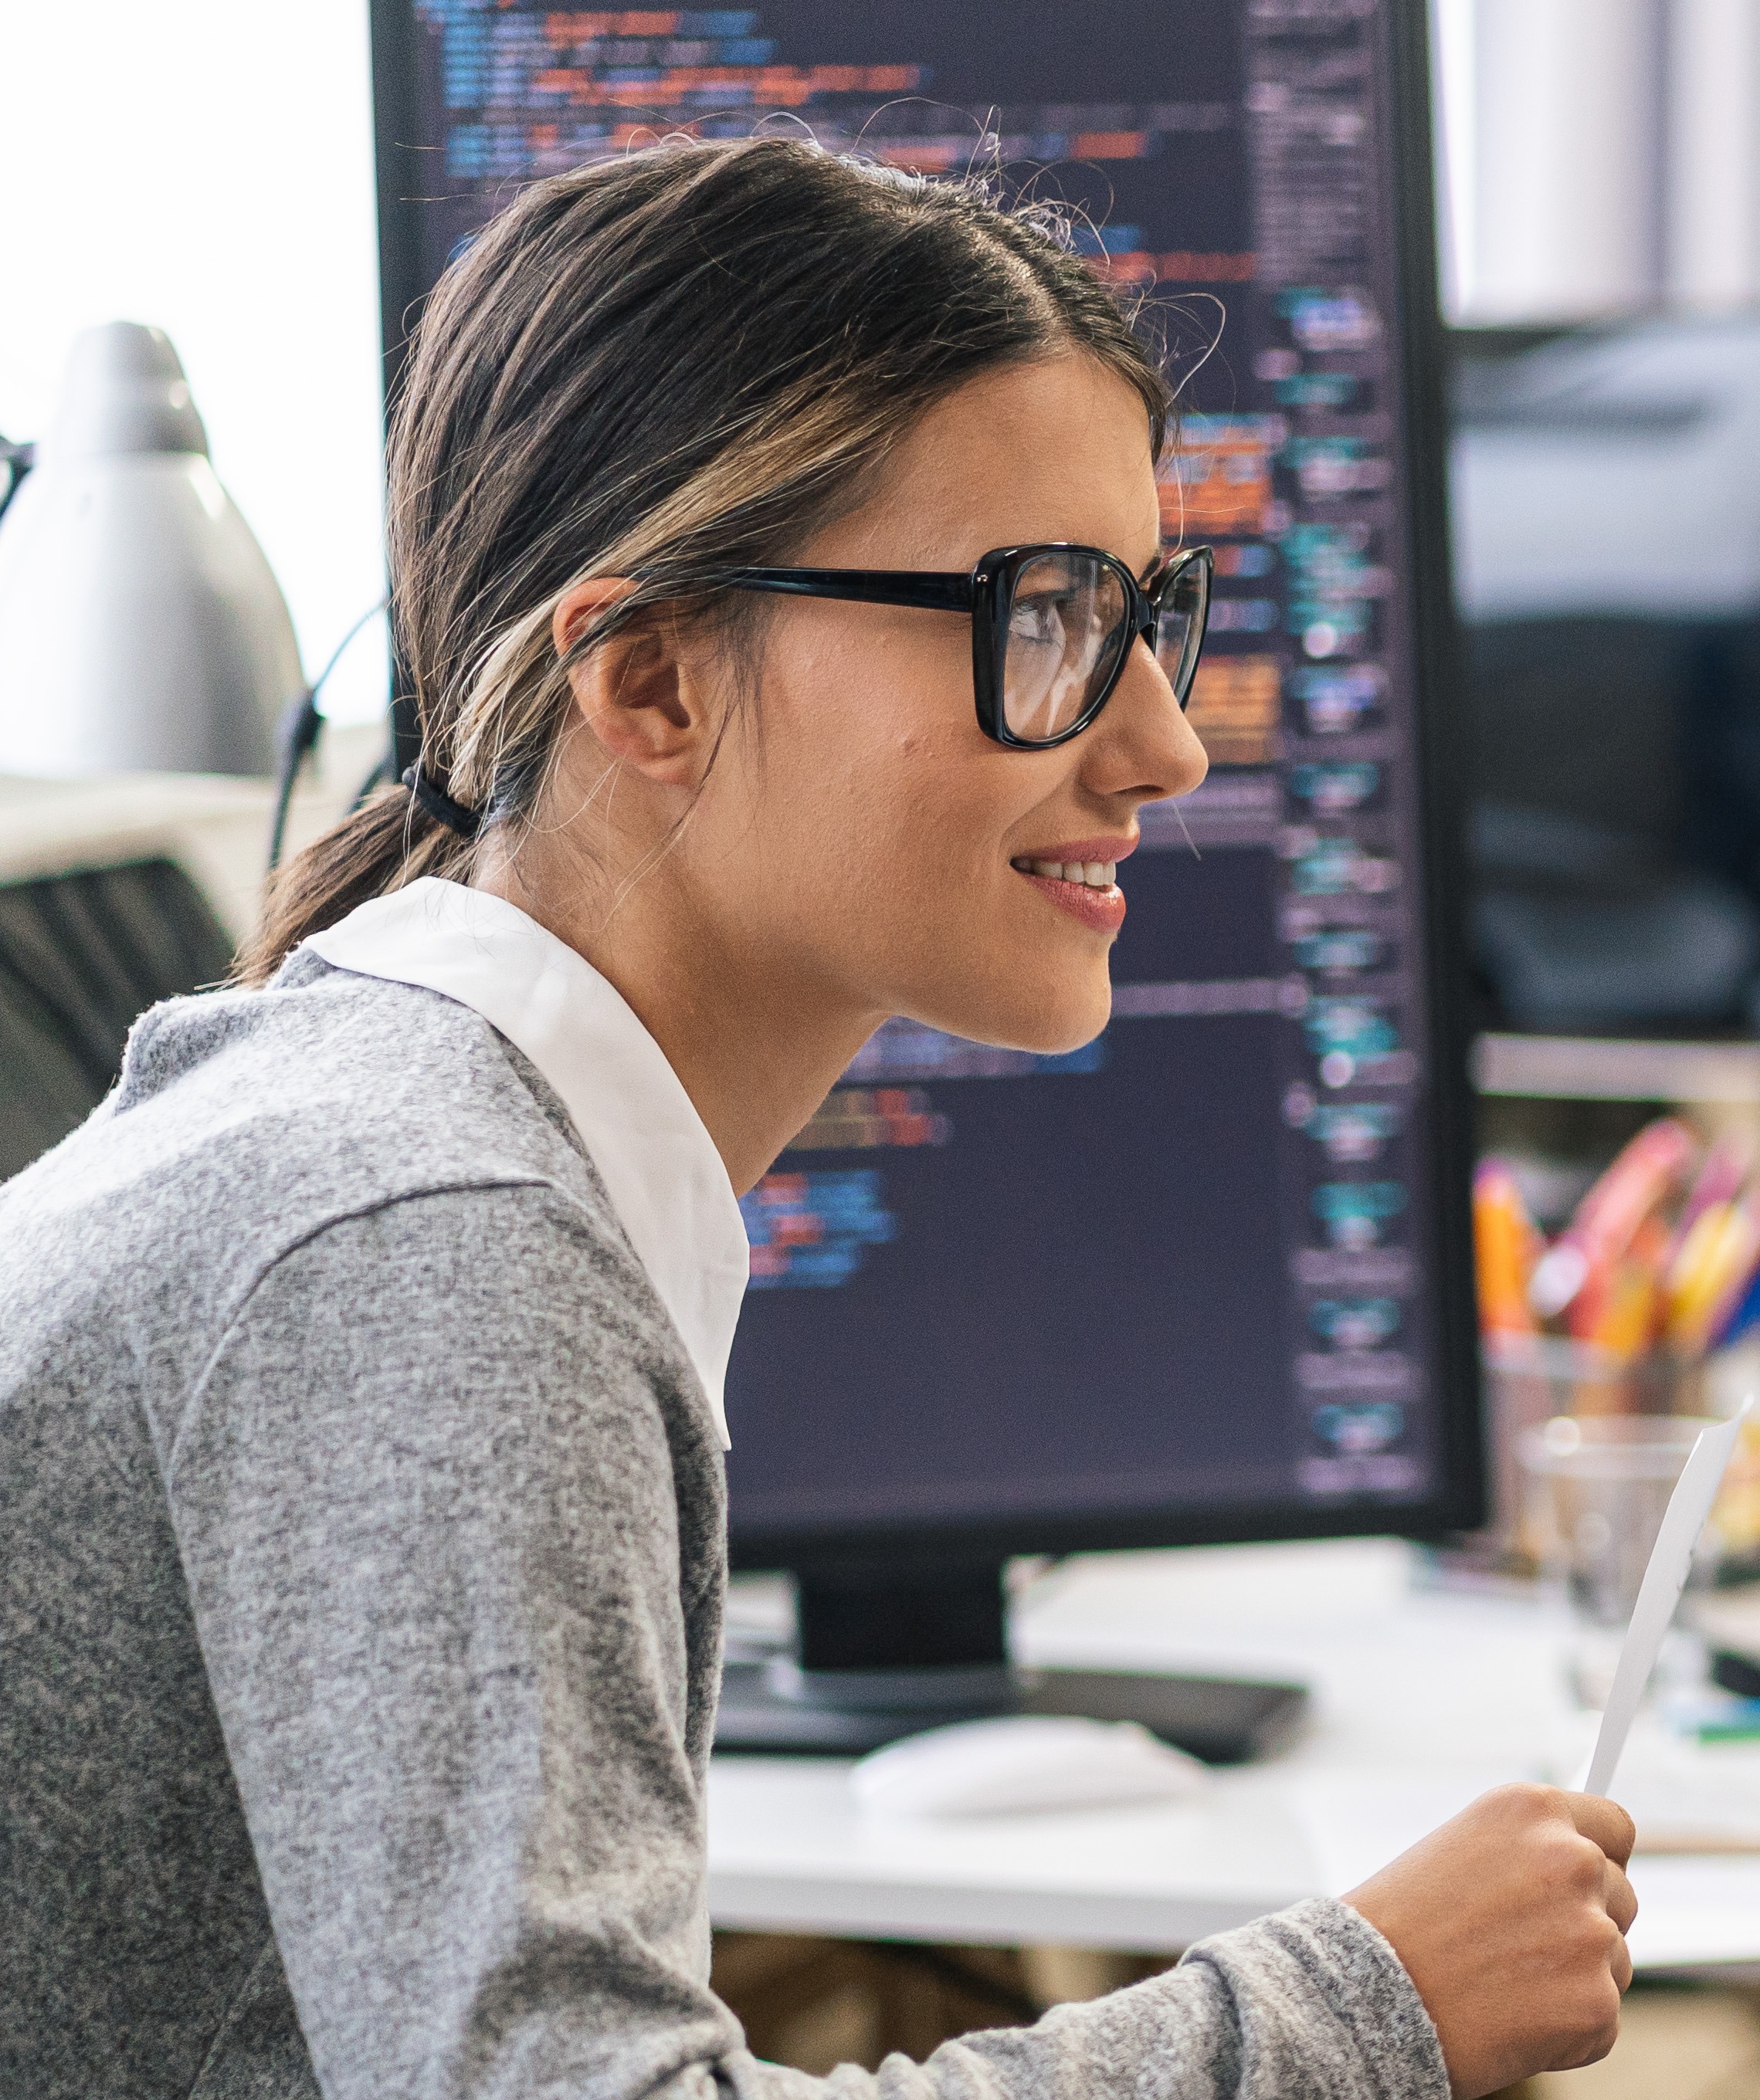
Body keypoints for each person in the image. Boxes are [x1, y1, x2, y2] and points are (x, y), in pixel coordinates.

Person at [0, 137, 1634, 2098]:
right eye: (1044, 616)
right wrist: (1366, 2001)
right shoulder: (429, 1235)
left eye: (1148, 612)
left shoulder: (420, 1141)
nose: (1165, 743)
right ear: (650, 683)